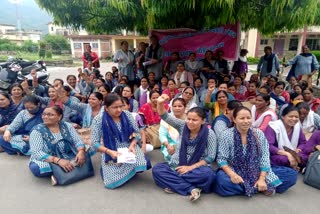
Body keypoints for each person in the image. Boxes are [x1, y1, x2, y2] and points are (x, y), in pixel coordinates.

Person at [213, 106, 297, 197]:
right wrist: (232, 175)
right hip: (234, 169)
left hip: (256, 169)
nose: (246, 121)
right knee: (222, 182)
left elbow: (264, 156)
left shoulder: (258, 133)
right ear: (234, 119)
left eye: (248, 118)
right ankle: (260, 188)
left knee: (291, 175)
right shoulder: (226, 135)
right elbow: (221, 159)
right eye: (242, 118)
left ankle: (253, 186)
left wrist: (261, 178)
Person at [153, 94, 217, 202]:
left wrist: (189, 168)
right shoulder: (183, 126)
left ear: (203, 121)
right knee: (157, 169)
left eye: (194, 120)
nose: (190, 122)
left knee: (208, 175)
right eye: (189, 119)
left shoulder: (209, 133)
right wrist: (160, 103)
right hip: (177, 165)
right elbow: (165, 116)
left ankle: (175, 184)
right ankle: (192, 188)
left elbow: (210, 157)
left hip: (197, 168)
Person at [90, 94, 151, 189]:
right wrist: (109, 152)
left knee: (141, 163)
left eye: (121, 106)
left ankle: (128, 169)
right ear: (106, 108)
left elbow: (137, 133)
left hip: (128, 146)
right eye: (114, 107)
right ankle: (106, 168)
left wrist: (132, 144)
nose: (119, 110)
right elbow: (94, 142)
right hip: (111, 150)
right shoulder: (98, 120)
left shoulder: (127, 115)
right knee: (112, 181)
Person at [28, 106, 87, 185]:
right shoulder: (37, 131)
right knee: (37, 168)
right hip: (49, 158)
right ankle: (70, 169)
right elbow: (37, 152)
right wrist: (58, 161)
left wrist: (81, 152)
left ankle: (60, 173)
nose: (45, 117)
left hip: (68, 154)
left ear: (59, 117)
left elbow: (77, 141)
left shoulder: (67, 126)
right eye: (44, 114)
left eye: (50, 115)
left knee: (87, 151)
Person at [265, 105, 309, 170]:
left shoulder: (297, 127)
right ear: (283, 117)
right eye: (291, 116)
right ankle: (295, 167)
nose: (294, 119)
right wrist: (287, 154)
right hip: (276, 154)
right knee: (284, 160)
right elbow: (268, 145)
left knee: (305, 157)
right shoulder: (273, 127)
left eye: (296, 117)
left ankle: (295, 166)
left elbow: (303, 142)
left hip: (293, 152)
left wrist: (299, 149)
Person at [159, 98, 187, 162]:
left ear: (185, 107)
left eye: (180, 106)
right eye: (175, 106)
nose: (177, 108)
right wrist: (168, 145)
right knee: (173, 158)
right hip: (170, 144)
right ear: (171, 107)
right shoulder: (166, 119)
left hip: (186, 145)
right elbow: (162, 135)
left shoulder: (189, 119)